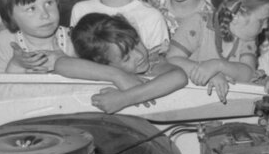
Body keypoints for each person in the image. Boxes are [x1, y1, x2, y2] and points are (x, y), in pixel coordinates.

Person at [168, 0, 269, 100]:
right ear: (237, 16)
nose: (266, 26)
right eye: (262, 21)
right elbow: (171, 60)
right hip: (186, 101)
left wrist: (218, 65)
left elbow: (248, 74)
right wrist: (205, 72)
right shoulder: (198, 24)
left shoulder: (247, 38)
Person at [58, 13, 187, 114]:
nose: (140, 55)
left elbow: (179, 77)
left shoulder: (153, 61)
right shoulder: (96, 68)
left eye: (136, 42)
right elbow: (61, 64)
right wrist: (117, 75)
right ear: (104, 64)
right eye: (126, 58)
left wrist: (124, 99)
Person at [0, 0, 76, 73]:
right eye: (31, 9)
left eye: (49, 3)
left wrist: (66, 62)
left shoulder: (73, 39)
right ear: (10, 16)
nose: (45, 14)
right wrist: (16, 65)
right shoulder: (4, 41)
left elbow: (87, 82)